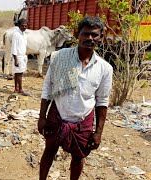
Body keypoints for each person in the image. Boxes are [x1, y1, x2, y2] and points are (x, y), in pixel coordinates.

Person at [38, 16, 113, 180]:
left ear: (101, 38)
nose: (90, 38)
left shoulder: (104, 68)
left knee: (78, 158)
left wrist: (98, 132)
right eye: (85, 34)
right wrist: (42, 117)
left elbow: (102, 102)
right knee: (48, 153)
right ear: (77, 34)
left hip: (83, 121)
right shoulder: (59, 57)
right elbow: (48, 88)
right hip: (57, 116)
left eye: (94, 35)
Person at [11, 18, 30, 96]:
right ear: (19, 25)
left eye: (26, 26)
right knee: (19, 73)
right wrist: (16, 59)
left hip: (22, 56)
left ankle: (16, 89)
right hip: (18, 57)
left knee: (17, 73)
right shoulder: (16, 34)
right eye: (23, 26)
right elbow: (14, 47)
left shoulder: (23, 34)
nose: (24, 27)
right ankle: (20, 89)